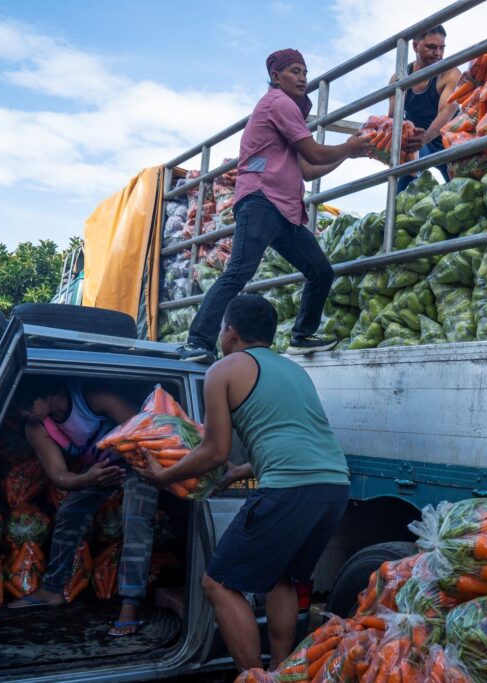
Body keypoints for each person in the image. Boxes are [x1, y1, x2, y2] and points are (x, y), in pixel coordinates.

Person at [143, 294, 350, 672]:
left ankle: (252, 678)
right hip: (333, 485)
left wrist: (163, 475)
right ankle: (283, 672)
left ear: (230, 332)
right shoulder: (293, 370)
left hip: (289, 488)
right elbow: (294, 438)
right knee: (281, 579)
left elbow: (214, 451)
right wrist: (241, 472)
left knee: (217, 583)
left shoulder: (223, 369)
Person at [180, 48, 373, 363]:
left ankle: (302, 336)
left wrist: (347, 154)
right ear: (276, 76)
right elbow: (313, 154)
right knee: (239, 271)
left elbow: (308, 169)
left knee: (320, 271)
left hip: (285, 209)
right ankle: (198, 342)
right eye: (295, 71)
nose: (302, 78)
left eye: (305, 72)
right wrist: (348, 146)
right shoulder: (278, 103)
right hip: (261, 200)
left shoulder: (287, 110)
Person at [7, 377, 157, 638]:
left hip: (140, 459)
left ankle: (130, 605)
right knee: (68, 514)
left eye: (25, 405)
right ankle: (53, 589)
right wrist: (87, 479)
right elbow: (58, 475)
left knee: (134, 520)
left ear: (43, 393)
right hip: (101, 469)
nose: (23, 413)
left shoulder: (95, 395)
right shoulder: (37, 427)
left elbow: (146, 433)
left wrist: (153, 472)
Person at [390, 26, 461, 192]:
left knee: (461, 188)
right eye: (431, 47)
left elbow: (447, 112)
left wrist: (427, 137)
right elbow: (393, 118)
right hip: (419, 140)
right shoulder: (399, 78)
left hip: (448, 139)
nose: (438, 53)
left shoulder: (450, 73)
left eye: (441, 47)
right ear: (415, 46)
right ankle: (397, 210)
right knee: (409, 162)